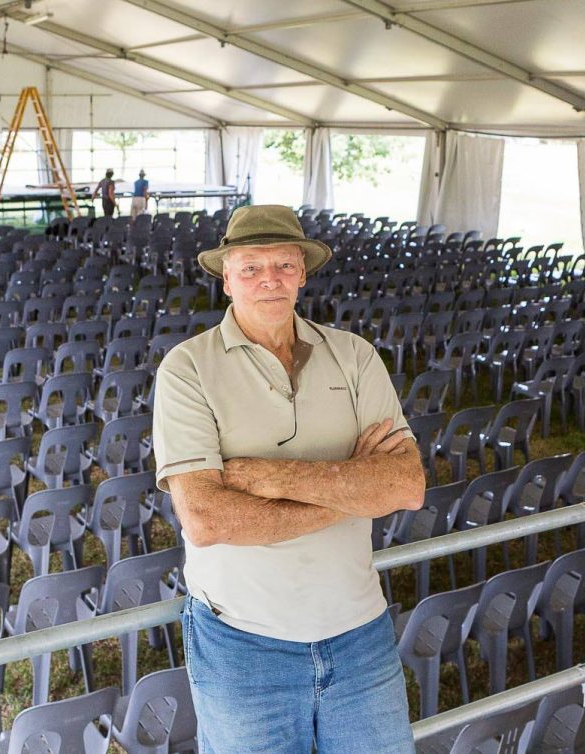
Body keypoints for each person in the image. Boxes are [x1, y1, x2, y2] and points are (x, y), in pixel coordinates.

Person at [152, 204, 424, 754]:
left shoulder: (354, 356)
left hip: (359, 632)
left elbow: (406, 486)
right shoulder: (187, 368)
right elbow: (206, 519)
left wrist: (267, 476)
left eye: (283, 264)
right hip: (243, 644)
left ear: (303, 272)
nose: (268, 279)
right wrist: (354, 489)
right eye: (250, 267)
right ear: (227, 280)